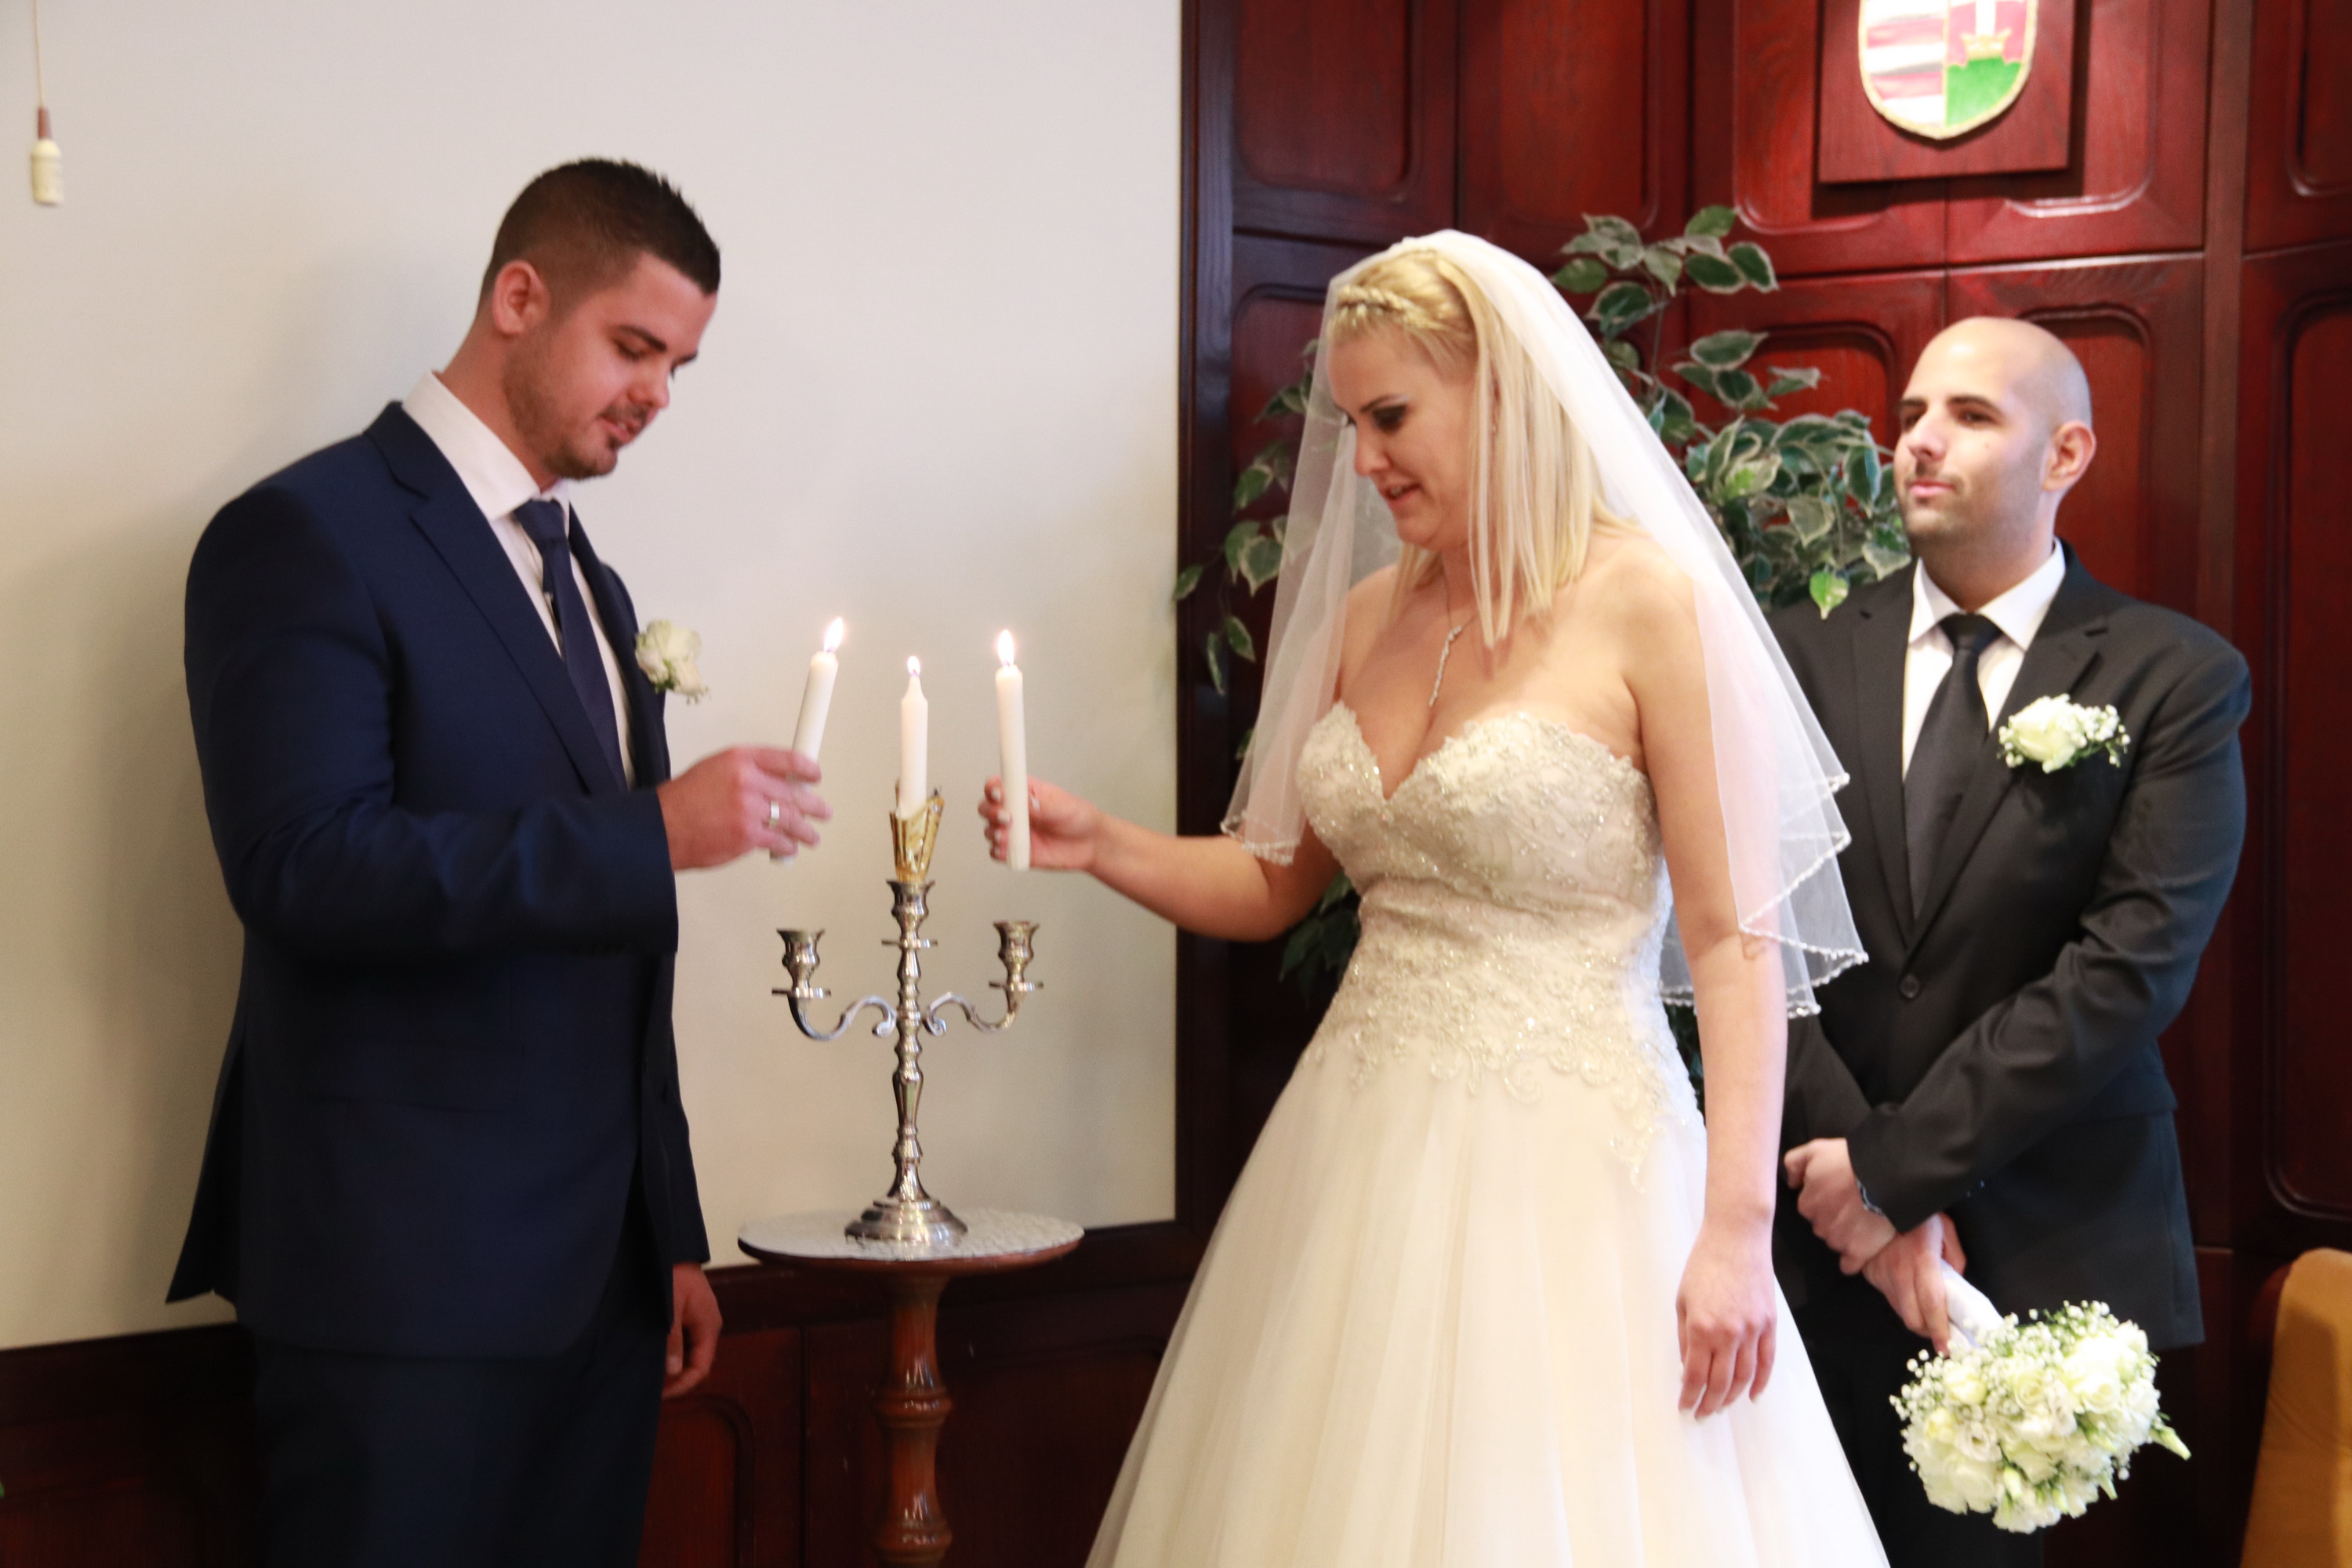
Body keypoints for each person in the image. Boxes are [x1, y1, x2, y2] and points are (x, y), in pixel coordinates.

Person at [979, 231, 1889, 1565]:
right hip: (1354, 1157)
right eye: (1351, 423)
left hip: (1575, 1173)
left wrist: (1736, 1233)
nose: (1364, 460)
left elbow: (1733, 940)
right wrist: (1102, 844)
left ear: (1502, 393)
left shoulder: (1647, 601)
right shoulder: (1364, 617)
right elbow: (1274, 882)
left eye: (1392, 416)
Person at [168, 159, 829, 1568]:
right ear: (520, 298)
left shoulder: (590, 578)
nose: (657, 394)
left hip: (601, 1287)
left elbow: (618, 952)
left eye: (679, 366)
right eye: (634, 347)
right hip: (396, 1282)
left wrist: (668, 1230)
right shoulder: (306, 534)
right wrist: (653, 832)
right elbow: (302, 867)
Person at [1771, 318, 2248, 1566]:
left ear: (2067, 454)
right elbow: (1752, 933)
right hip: (1799, 1231)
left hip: (2033, 1238)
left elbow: (2129, 969)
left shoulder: (2175, 675)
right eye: (1912, 415)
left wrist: (1894, 1174)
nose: (1920, 442)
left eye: (1972, 416)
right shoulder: (1797, 653)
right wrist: (1852, 1181)